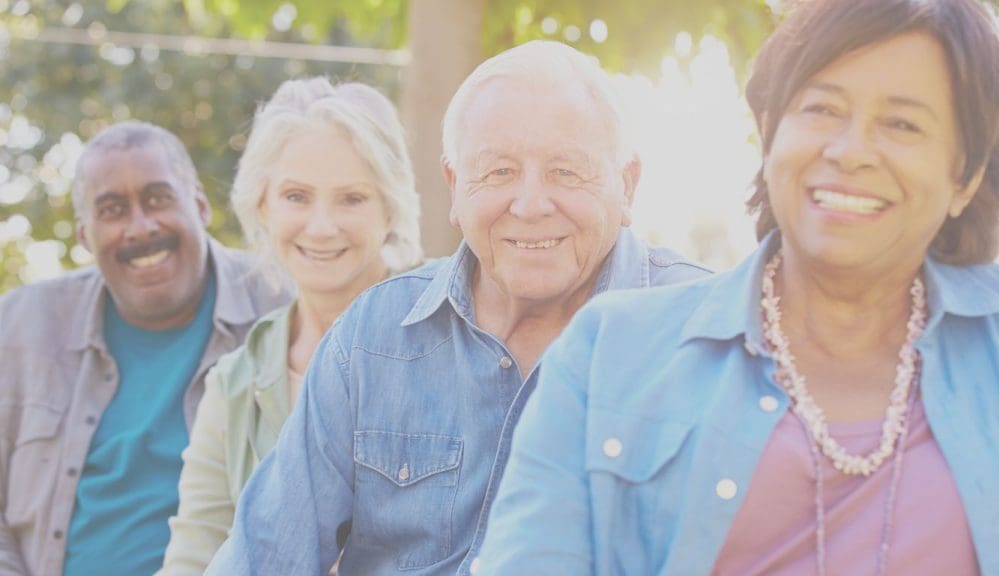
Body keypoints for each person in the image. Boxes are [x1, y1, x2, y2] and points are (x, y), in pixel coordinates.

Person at [475, 0, 999, 575]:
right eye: (822, 108)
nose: (851, 150)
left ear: (967, 176)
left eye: (903, 124)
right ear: (768, 134)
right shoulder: (608, 354)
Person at [205, 40, 710, 575]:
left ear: (627, 184)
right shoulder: (373, 338)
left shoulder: (704, 336)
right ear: (453, 186)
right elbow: (264, 556)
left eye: (567, 171)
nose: (531, 205)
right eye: (497, 172)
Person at [0, 121, 290, 576]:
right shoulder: (19, 329)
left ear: (199, 205)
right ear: (84, 236)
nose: (140, 227)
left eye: (158, 199)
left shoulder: (283, 308)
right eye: (113, 210)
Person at [158, 78, 422, 575]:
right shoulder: (234, 385)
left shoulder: (452, 344)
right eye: (297, 196)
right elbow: (194, 558)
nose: (321, 226)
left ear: (390, 208)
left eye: (351, 199)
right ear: (262, 205)